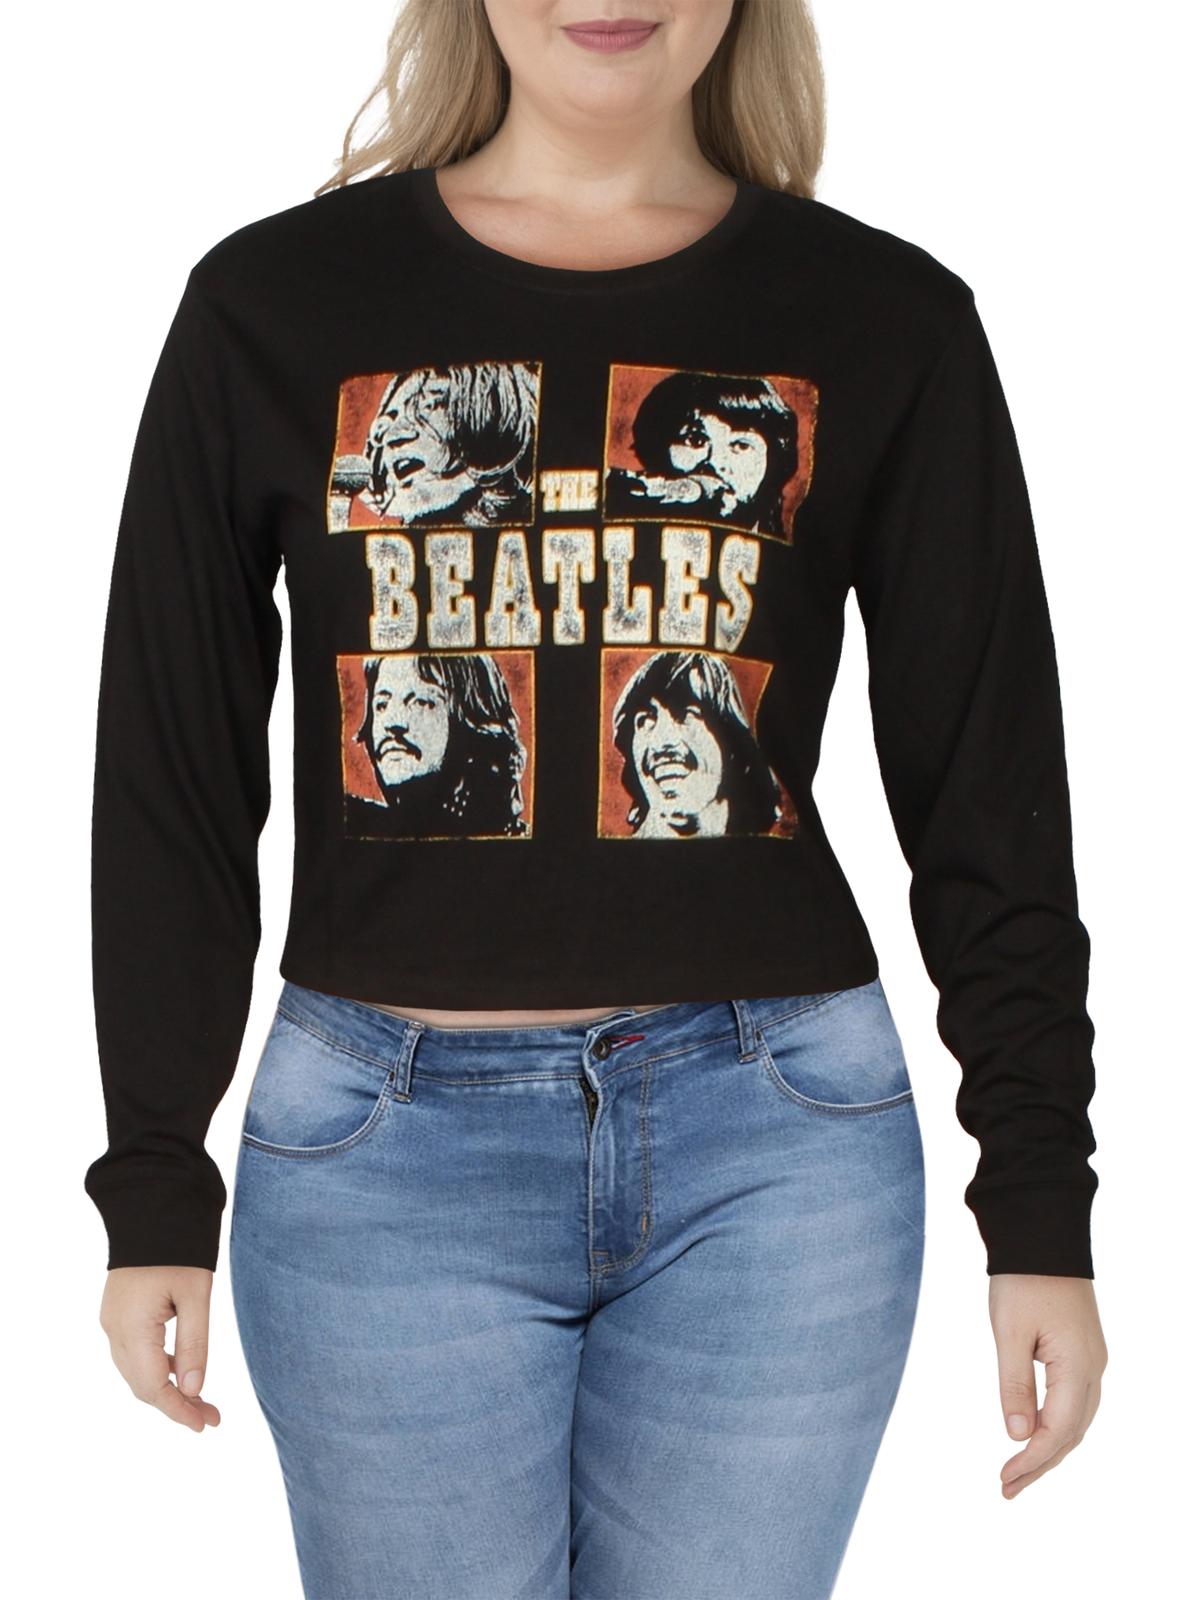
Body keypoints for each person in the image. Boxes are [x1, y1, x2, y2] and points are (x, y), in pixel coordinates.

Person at [86, 3, 1108, 1597]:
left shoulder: (882, 317)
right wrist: (155, 1170)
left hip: (779, 1152)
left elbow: (990, 787)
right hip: (382, 1155)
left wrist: (1039, 1202)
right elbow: (173, 771)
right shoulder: (274, 307)